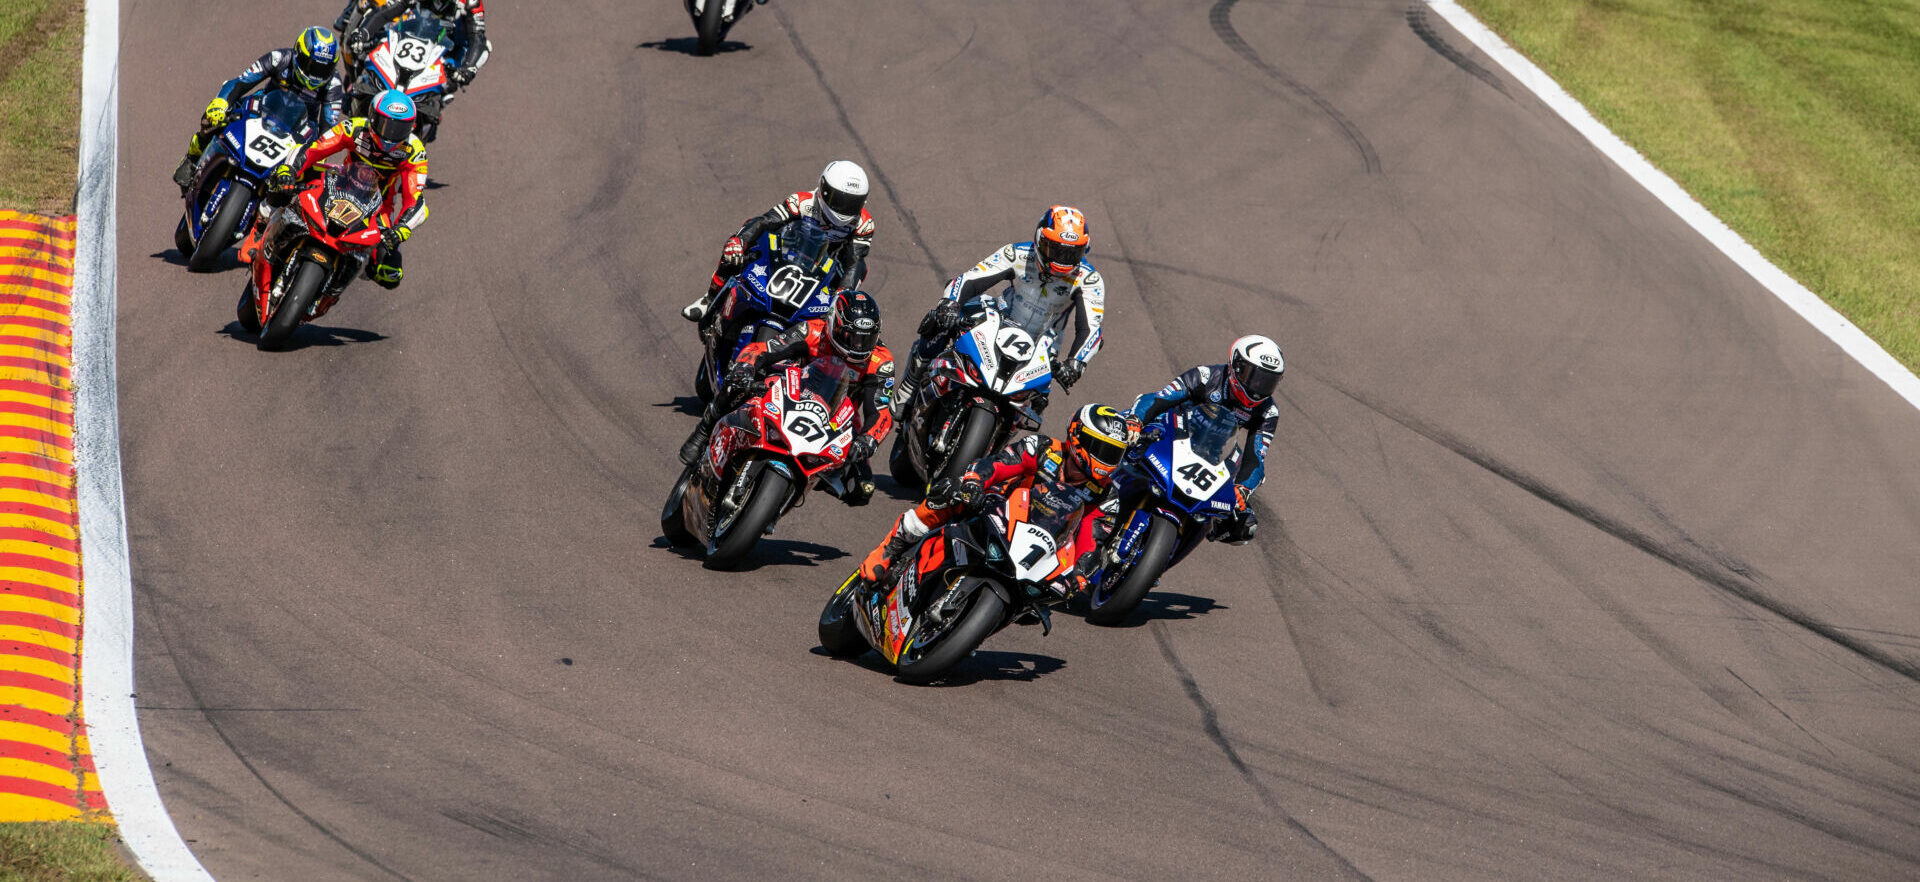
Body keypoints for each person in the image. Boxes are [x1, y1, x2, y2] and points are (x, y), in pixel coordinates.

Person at [854, 403, 1138, 594]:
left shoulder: (1106, 494)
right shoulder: (1043, 449)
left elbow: (1092, 541)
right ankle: (890, 548)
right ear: (1078, 437)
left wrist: (1079, 577)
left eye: (1114, 453)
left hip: (1041, 549)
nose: (1107, 460)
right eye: (1102, 448)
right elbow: (999, 463)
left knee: (1048, 597)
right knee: (949, 493)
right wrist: (975, 481)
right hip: (997, 510)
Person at [678, 291, 895, 506]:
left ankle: (797, 485)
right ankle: (704, 429)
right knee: (737, 382)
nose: (859, 346)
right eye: (853, 337)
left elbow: (880, 411)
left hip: (837, 415)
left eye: (867, 339)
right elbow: (764, 349)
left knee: (862, 488)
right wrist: (746, 366)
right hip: (791, 387)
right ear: (834, 324)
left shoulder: (880, 361)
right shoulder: (813, 331)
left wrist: (868, 440)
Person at [893, 205, 1105, 420]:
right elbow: (970, 279)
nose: (1062, 261)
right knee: (941, 319)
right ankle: (910, 385)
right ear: (1040, 240)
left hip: (1043, 345)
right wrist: (950, 303)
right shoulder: (1017, 253)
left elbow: (1091, 329)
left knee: (1036, 404)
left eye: (1072, 253)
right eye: (1056, 250)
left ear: (1085, 249)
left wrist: (1076, 363)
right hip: (999, 316)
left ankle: (997, 442)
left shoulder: (1089, 280)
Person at [1127, 335, 1284, 544]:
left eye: (1267, 382)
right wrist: (1135, 421)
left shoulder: (1268, 411)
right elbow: (1159, 398)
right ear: (1236, 366)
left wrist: (1243, 488)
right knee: (1114, 438)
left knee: (1244, 525)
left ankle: (1165, 555)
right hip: (1167, 432)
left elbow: (1256, 458)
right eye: (1255, 377)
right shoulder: (1206, 376)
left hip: (1210, 457)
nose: (1258, 388)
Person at [267, 89, 427, 289]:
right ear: (372, 117)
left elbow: (416, 199)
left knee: (390, 274)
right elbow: (314, 149)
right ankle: (263, 226)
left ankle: (335, 284)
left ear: (411, 128)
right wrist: (288, 170)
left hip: (379, 207)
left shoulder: (414, 151)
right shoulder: (355, 128)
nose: (390, 135)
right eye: (386, 125)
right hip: (340, 184)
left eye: (399, 129)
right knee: (281, 183)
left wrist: (402, 228)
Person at [680, 161, 875, 324]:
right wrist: (741, 241)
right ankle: (710, 298)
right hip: (788, 252)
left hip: (826, 267)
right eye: (839, 200)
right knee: (738, 244)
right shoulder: (802, 202)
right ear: (823, 189)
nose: (844, 209)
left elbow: (855, 261)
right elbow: (766, 221)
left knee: (851, 288)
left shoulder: (864, 224)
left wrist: (843, 292)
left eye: (852, 203)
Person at [172, 26, 345, 194]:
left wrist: (317, 154)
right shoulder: (279, 58)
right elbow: (241, 82)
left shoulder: (334, 85)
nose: (316, 74)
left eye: (324, 69)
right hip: (263, 109)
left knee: (312, 174)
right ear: (298, 53)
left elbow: (328, 126)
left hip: (299, 129)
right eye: (311, 65)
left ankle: (279, 215)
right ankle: (193, 157)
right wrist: (221, 104)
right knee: (214, 116)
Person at [338, 0, 490, 88]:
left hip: (447, 49)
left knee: (484, 49)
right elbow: (387, 12)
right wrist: (364, 33)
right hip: (412, 34)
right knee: (370, 20)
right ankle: (356, 77)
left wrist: (468, 68)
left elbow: (477, 38)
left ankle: (436, 105)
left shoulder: (471, 2)